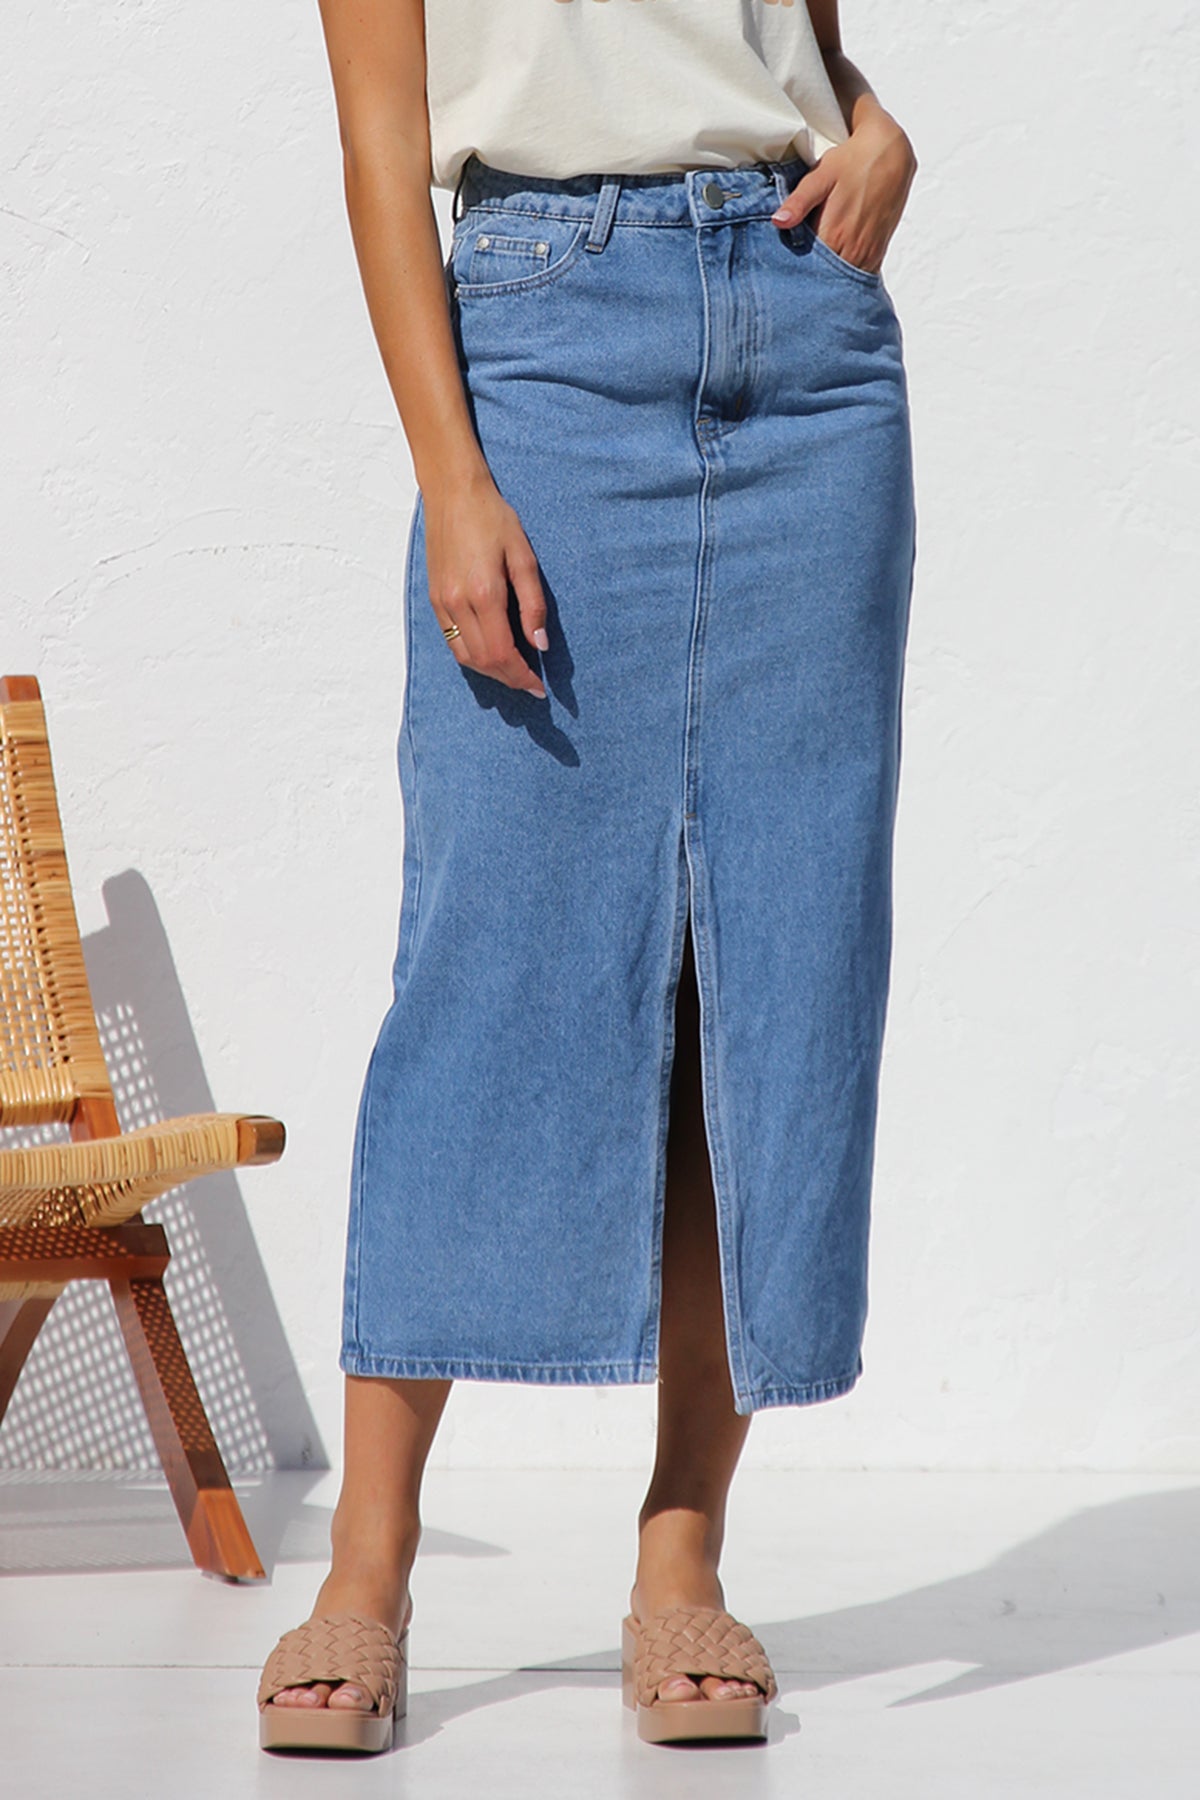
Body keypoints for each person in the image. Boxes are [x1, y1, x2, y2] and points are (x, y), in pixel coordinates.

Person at [256, 0, 918, 1754]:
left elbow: (786, 36)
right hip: (543, 332)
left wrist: (873, 121)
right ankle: (368, 1568)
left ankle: (682, 1550)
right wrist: (451, 476)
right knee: (490, 961)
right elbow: (380, 150)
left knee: (768, 965)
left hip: (808, 337)